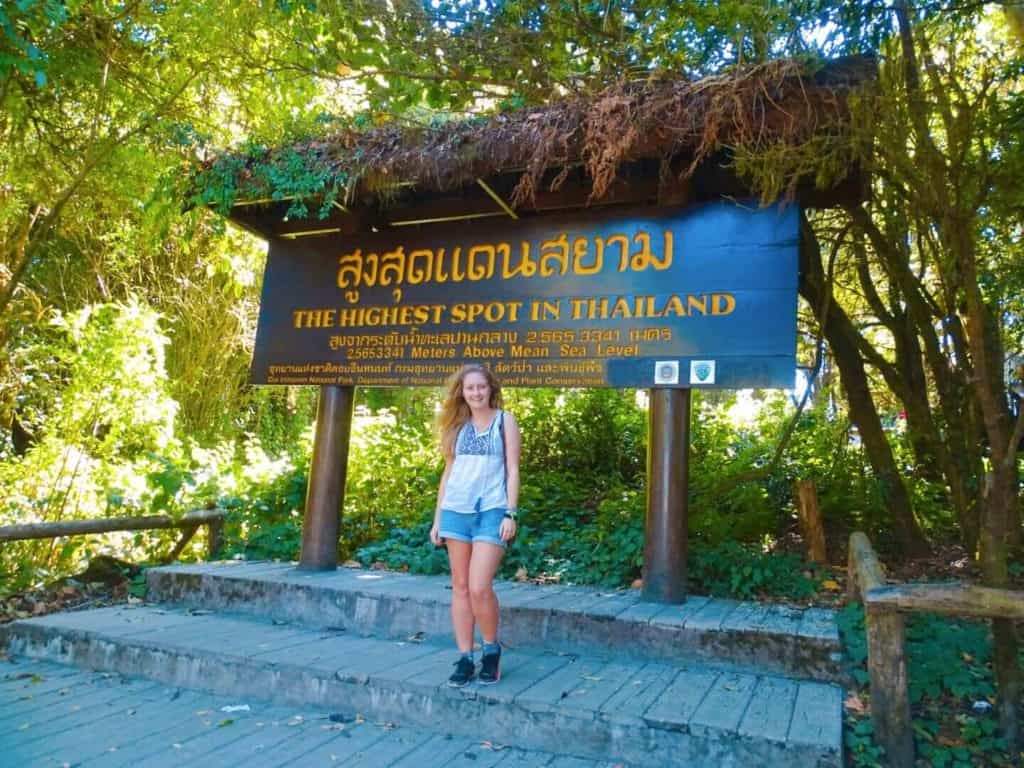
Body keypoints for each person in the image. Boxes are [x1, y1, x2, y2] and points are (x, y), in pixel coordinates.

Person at [429, 364, 520, 687]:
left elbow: (512, 469)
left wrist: (511, 513)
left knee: (480, 586)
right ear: (462, 392)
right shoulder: (456, 425)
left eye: (481, 387)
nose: (476, 393)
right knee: (461, 587)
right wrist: (438, 518)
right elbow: (448, 472)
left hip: (493, 510)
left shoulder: (504, 421)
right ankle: (466, 658)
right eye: (470, 388)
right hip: (456, 511)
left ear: (490, 389)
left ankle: (491, 650)